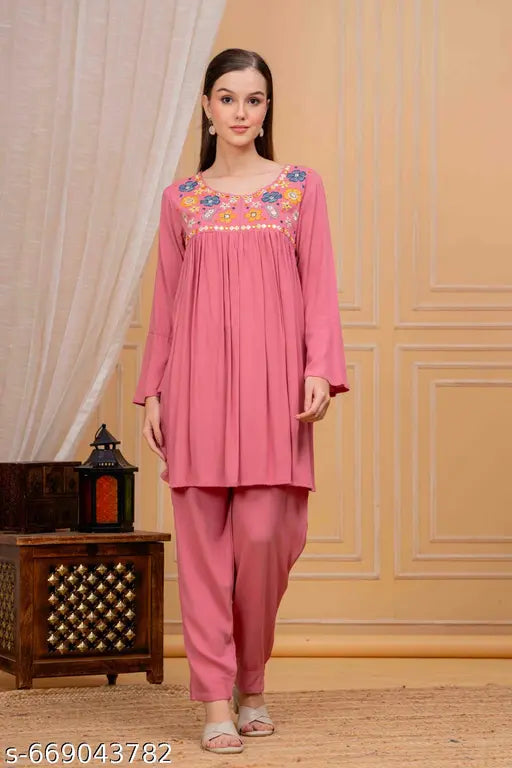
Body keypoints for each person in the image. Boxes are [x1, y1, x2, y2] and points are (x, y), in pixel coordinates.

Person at [132, 47, 350, 755]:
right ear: (207, 107)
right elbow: (166, 305)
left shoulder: (299, 188)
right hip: (194, 387)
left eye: (253, 100)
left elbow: (319, 284)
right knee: (201, 553)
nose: (240, 112)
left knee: (263, 540)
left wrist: (320, 368)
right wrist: (153, 390)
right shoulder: (181, 200)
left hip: (274, 390)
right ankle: (215, 702)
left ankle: (251, 681)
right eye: (227, 98)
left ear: (266, 109)